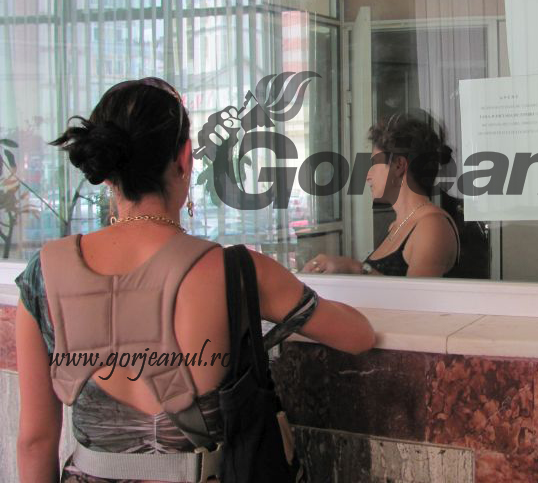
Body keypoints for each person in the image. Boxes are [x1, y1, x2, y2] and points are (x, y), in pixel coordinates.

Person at [14, 77, 375, 483]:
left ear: (107, 171)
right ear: (185, 158)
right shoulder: (236, 271)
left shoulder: (43, 274)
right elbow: (358, 335)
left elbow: (35, 442)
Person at [301, 112, 462, 278]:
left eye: (374, 164)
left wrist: (354, 268)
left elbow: (416, 295)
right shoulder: (397, 224)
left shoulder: (431, 226)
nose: (367, 175)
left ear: (398, 165)